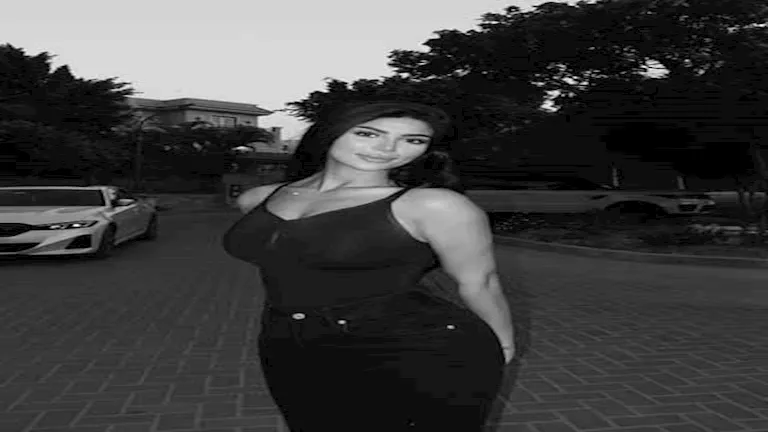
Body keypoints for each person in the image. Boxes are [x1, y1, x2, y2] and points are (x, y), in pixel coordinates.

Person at [222, 100, 515, 431]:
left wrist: (503, 344)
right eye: (368, 133)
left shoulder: (432, 205)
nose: (388, 149)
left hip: (417, 345)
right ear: (330, 132)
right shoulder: (260, 198)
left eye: (413, 140)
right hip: (287, 341)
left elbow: (480, 282)